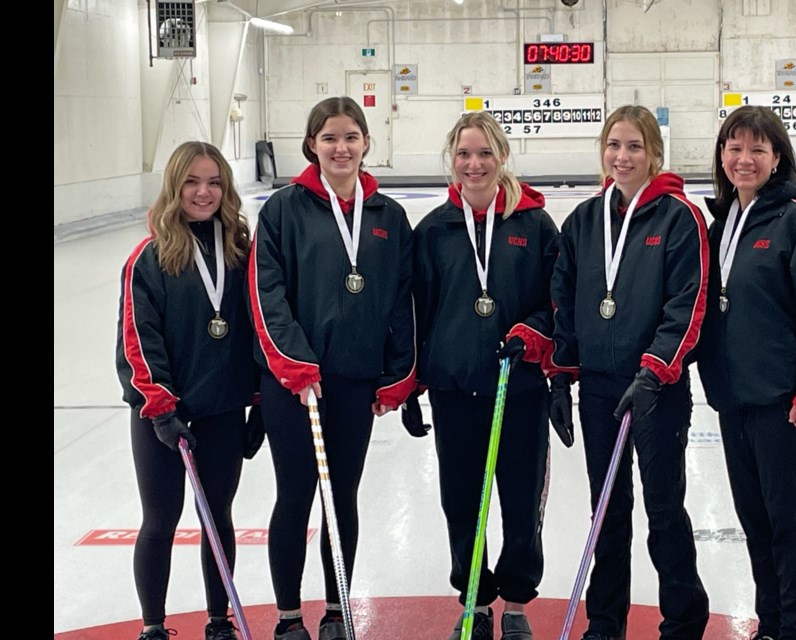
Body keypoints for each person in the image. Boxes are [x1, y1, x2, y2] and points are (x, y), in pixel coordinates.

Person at [249, 96, 417, 640]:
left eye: (350, 136)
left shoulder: (389, 216)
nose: (340, 147)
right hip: (293, 383)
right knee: (295, 493)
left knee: (341, 495)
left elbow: (401, 298)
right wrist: (295, 363)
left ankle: (336, 610)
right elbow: (266, 292)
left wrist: (397, 373)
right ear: (311, 145)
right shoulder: (282, 210)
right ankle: (289, 615)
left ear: (367, 142)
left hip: (353, 380)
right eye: (329, 138)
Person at [548, 105, 710, 640]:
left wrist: (655, 371)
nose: (623, 156)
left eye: (634, 146)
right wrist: (561, 374)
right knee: (607, 514)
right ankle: (605, 622)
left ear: (654, 154)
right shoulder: (583, 221)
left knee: (664, 511)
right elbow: (563, 300)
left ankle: (683, 622)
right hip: (598, 388)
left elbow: (688, 303)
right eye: (614, 145)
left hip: (655, 388)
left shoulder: (678, 217)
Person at [696, 106, 796, 640]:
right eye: (734, 147)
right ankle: (771, 623)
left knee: (790, 525)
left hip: (787, 406)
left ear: (778, 156)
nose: (744, 159)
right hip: (734, 400)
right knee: (757, 524)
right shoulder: (723, 224)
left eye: (756, 149)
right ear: (721, 155)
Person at [404, 111, 559, 640]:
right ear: (452, 159)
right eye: (465, 154)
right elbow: (417, 312)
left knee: (520, 501)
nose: (474, 164)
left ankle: (515, 605)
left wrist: (532, 334)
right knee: (463, 504)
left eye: (485, 153)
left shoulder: (533, 225)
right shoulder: (432, 231)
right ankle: (474, 601)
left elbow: (554, 302)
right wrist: (412, 383)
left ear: (502, 157)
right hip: (455, 391)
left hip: (518, 391)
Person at [115, 141, 263, 640]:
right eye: (193, 182)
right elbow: (138, 341)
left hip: (221, 411)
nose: (204, 192)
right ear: (175, 187)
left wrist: (258, 402)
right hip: (163, 417)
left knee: (218, 517)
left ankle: (218, 620)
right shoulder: (150, 258)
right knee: (160, 519)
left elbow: (256, 331)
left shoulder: (241, 252)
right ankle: (153, 625)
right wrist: (160, 409)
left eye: (215, 182)